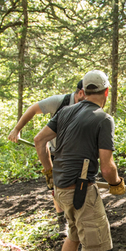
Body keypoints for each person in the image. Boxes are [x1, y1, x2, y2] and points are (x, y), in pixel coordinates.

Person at [33, 70, 125, 251]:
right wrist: (116, 183)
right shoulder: (103, 119)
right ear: (106, 92)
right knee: (94, 245)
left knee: (74, 235)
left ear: (83, 91)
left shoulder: (64, 112)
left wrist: (49, 172)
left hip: (63, 190)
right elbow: (106, 167)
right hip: (81, 191)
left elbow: (39, 140)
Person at [8, 81, 86, 236]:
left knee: (79, 184)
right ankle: (61, 220)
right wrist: (17, 129)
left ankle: (79, 217)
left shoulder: (89, 106)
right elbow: (33, 109)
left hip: (77, 152)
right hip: (56, 151)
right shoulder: (59, 102)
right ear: (81, 93)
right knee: (55, 186)